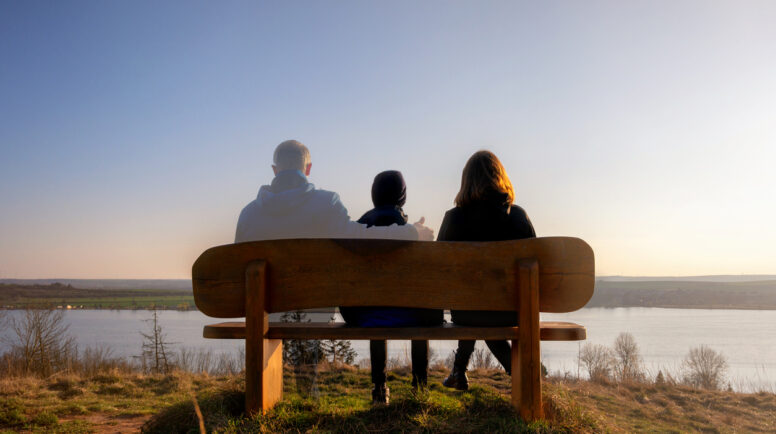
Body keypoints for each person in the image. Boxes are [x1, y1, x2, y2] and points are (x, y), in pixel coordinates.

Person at [338, 170, 443, 404]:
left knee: (375, 300)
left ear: (374, 196)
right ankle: (420, 386)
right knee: (419, 300)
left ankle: (379, 386)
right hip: (410, 314)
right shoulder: (414, 233)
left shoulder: (358, 230)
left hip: (362, 315)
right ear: (402, 197)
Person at [438, 150, 536, 391]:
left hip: (466, 312)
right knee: (485, 306)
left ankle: (459, 372)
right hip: (511, 312)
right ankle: (515, 373)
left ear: (466, 181)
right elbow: (536, 265)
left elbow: (438, 272)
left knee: (475, 304)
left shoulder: (453, 219)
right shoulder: (518, 217)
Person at [235, 140, 434, 243]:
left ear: (275, 169)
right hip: (316, 315)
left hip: (262, 317)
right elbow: (362, 239)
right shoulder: (326, 204)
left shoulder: (248, 215)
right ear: (308, 168)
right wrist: (413, 232)